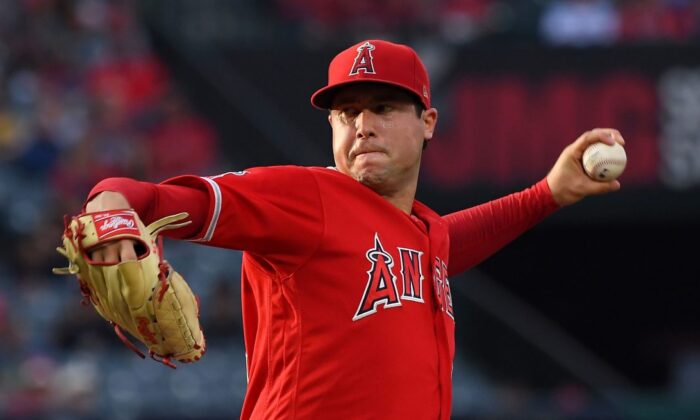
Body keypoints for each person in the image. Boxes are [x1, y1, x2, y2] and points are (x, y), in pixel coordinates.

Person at [79, 39, 623, 419]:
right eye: (347, 112)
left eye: (383, 107)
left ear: (427, 122)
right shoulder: (305, 197)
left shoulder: (421, 233)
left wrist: (548, 193)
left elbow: (447, 245)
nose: (362, 124)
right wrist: (110, 208)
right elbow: (156, 198)